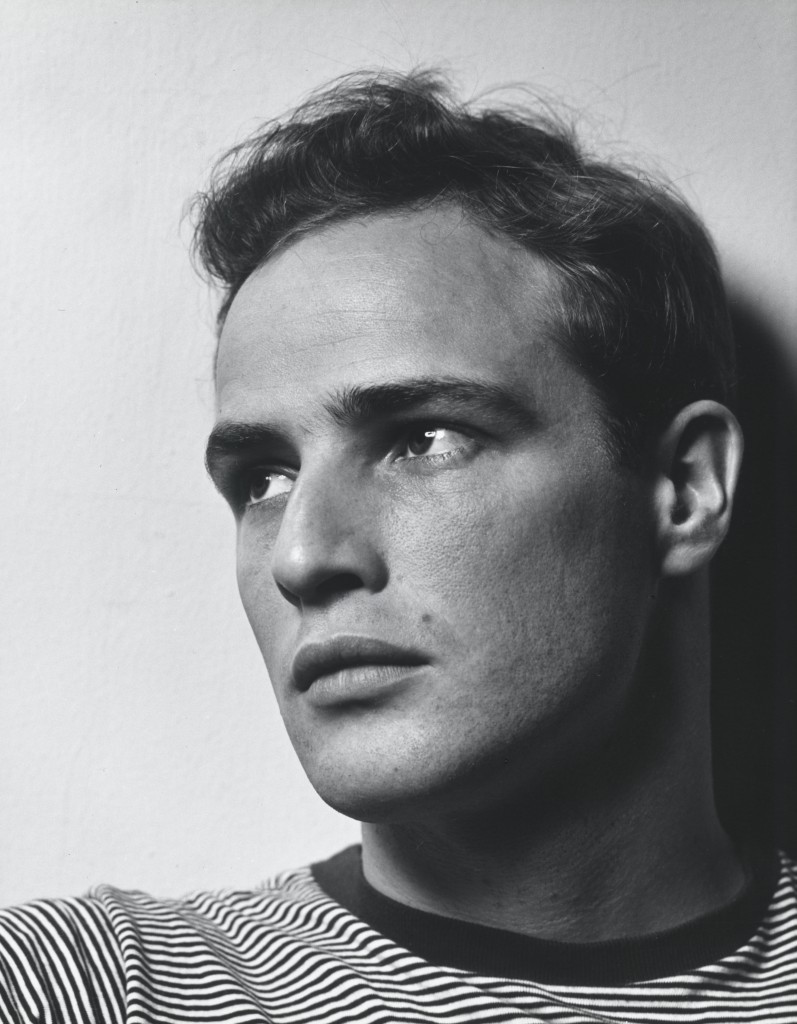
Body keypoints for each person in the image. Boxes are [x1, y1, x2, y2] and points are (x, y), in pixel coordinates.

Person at [1, 70, 795, 1023]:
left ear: (684, 490)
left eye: (421, 439)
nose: (301, 559)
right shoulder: (88, 989)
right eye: (264, 479)